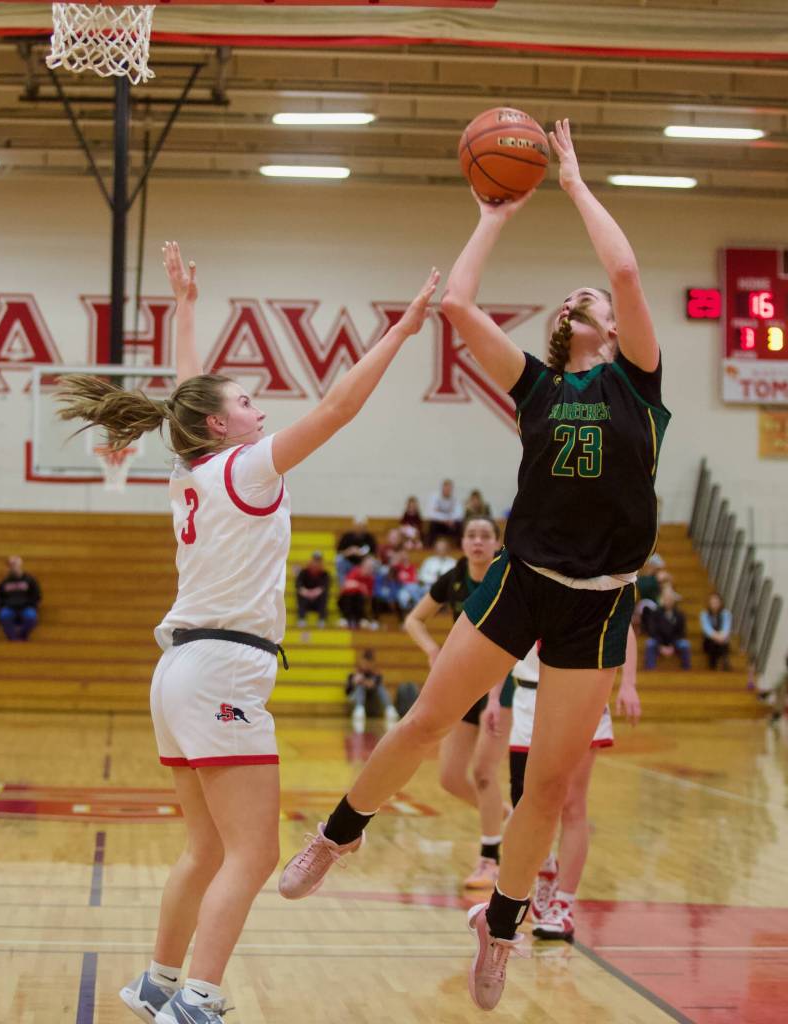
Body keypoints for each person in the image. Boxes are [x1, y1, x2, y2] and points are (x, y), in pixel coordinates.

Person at [278, 119, 670, 1012]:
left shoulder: (639, 386)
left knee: (550, 782)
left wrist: (572, 180)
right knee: (425, 719)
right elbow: (457, 307)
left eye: (599, 300)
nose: (597, 299)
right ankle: (339, 836)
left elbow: (627, 271)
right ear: (571, 326)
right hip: (524, 579)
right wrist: (496, 210)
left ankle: (500, 927)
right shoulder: (539, 385)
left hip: (602, 602)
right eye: (583, 299)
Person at [56, 241, 438, 1024]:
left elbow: (186, 401)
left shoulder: (192, 470)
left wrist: (188, 308)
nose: (261, 409)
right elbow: (337, 408)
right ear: (222, 425)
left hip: (182, 671)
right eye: (249, 402)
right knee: (254, 853)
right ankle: (196, 1001)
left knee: (205, 848)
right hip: (223, 668)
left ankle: (159, 983)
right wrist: (399, 334)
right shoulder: (246, 467)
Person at [399, 515, 514, 889]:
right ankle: (505, 816)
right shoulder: (454, 578)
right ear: (463, 543)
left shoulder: (506, 578)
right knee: (450, 778)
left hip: (503, 685)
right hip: (465, 683)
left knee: (484, 773)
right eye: (471, 535)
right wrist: (433, 648)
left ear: (497, 543)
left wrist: (495, 696)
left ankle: (490, 860)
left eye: (485, 536)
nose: (477, 541)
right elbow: (413, 621)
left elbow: (513, 643)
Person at [510, 634, 640, 943]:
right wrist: (490, 699)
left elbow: (626, 629)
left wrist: (628, 683)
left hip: (579, 694)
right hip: (527, 698)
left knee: (571, 803)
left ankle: (564, 904)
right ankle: (545, 866)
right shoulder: (519, 583)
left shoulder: (599, 583)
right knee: (524, 800)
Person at [0, 555, 41, 641]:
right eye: (10, 565)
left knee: (31, 617)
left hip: (26, 607)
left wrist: (31, 605)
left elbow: (36, 595)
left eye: (14, 564)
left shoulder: (30, 580)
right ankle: (13, 639)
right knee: (4, 615)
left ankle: (22, 635)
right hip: (10, 608)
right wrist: (4, 606)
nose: (13, 567)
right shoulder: (4, 582)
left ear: (20, 565)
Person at [346, 649, 397, 727]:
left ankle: (389, 708)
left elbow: (373, 685)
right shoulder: (353, 674)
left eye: (369, 663)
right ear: (361, 661)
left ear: (372, 663)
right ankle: (359, 709)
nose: (366, 665)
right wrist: (354, 683)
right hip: (356, 699)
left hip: (371, 701)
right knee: (360, 686)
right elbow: (347, 692)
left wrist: (365, 682)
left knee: (380, 687)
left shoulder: (376, 675)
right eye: (365, 662)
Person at [643, 590, 691, 670]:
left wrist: (672, 646)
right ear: (662, 600)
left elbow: (681, 632)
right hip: (659, 641)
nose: (668, 601)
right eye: (666, 599)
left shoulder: (679, 614)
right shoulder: (655, 613)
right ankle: (650, 670)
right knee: (650, 643)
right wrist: (661, 646)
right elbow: (653, 631)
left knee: (685, 644)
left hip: (674, 642)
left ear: (674, 601)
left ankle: (686, 670)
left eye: (670, 599)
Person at [338, 555, 377, 630]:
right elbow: (347, 584)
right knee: (350, 596)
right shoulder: (355, 571)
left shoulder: (371, 578)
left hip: (359, 602)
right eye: (368, 566)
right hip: (345, 600)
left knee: (360, 598)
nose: (370, 569)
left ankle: (361, 620)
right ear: (363, 565)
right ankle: (347, 619)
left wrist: (357, 586)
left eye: (371, 567)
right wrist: (360, 586)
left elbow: (368, 594)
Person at [335, 516, 376, 585]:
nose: (360, 528)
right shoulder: (347, 536)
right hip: (348, 562)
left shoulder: (369, 538)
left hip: (363, 564)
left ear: (365, 527)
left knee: (373, 562)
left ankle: (368, 587)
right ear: (354, 526)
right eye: (358, 526)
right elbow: (339, 552)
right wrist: (348, 552)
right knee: (339, 559)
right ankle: (344, 587)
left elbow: (373, 554)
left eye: (362, 526)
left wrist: (360, 553)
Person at [294, 552, 330, 628]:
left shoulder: (325, 574)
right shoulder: (303, 572)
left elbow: (325, 586)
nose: (316, 563)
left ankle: (321, 620)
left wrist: (316, 592)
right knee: (300, 594)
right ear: (311, 561)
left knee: (324, 595)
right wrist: (306, 592)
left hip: (318, 601)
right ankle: (301, 619)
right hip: (305, 599)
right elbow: (298, 585)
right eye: (314, 560)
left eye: (318, 561)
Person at [425, 478, 463, 546]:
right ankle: (429, 548)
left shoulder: (455, 499)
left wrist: (449, 520)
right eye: (446, 488)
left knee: (459, 525)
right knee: (432, 525)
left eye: (449, 488)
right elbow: (431, 514)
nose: (447, 490)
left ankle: (459, 548)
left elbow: (459, 514)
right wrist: (445, 520)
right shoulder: (435, 497)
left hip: (451, 525)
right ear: (442, 488)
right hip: (439, 524)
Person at [699, 592, 732, 670]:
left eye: (716, 602)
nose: (714, 604)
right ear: (709, 603)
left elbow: (726, 628)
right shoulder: (704, 614)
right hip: (709, 640)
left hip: (722, 640)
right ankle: (714, 664)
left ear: (720, 603)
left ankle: (725, 662)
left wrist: (722, 636)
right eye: (712, 602)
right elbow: (707, 629)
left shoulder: (726, 614)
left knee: (723, 643)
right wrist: (716, 637)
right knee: (713, 644)